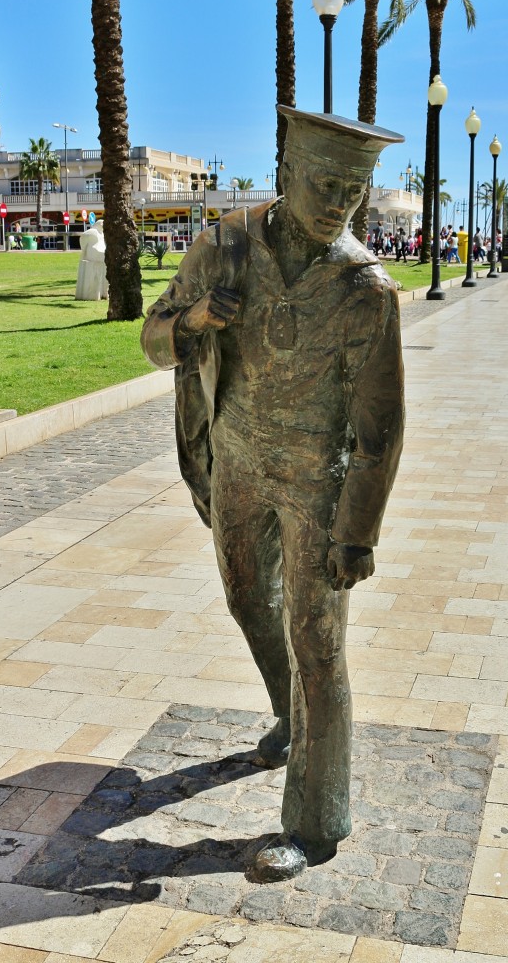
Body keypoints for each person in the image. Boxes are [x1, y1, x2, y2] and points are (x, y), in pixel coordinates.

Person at [141, 106, 405, 883]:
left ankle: (317, 820)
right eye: (323, 184)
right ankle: (291, 718)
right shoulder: (223, 246)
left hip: (317, 482)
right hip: (236, 462)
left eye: (351, 193)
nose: (335, 205)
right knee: (246, 597)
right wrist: (192, 317)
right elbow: (154, 341)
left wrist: (357, 532)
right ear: (286, 171)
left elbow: (381, 431)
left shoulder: (367, 291)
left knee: (318, 640)